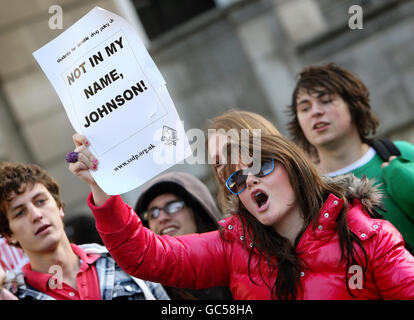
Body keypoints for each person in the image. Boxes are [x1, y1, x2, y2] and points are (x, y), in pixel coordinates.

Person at [68, 110, 414, 299]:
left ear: (289, 162)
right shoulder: (233, 247)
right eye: (232, 177)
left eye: (260, 165)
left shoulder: (370, 237)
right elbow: (145, 255)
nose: (248, 180)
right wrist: (102, 187)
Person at [287, 62, 414, 251]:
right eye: (305, 108)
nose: (315, 111)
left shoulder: (399, 153)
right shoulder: (305, 189)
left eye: (327, 100)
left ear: (353, 106)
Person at [0, 162, 169, 300]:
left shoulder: (122, 263)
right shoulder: (13, 295)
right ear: (9, 235)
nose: (36, 215)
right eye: (20, 212)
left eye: (40, 201)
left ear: (59, 207)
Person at [134, 171, 232, 300]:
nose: (162, 218)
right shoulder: (148, 292)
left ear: (198, 210)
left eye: (173, 206)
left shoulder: (244, 260)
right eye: (153, 214)